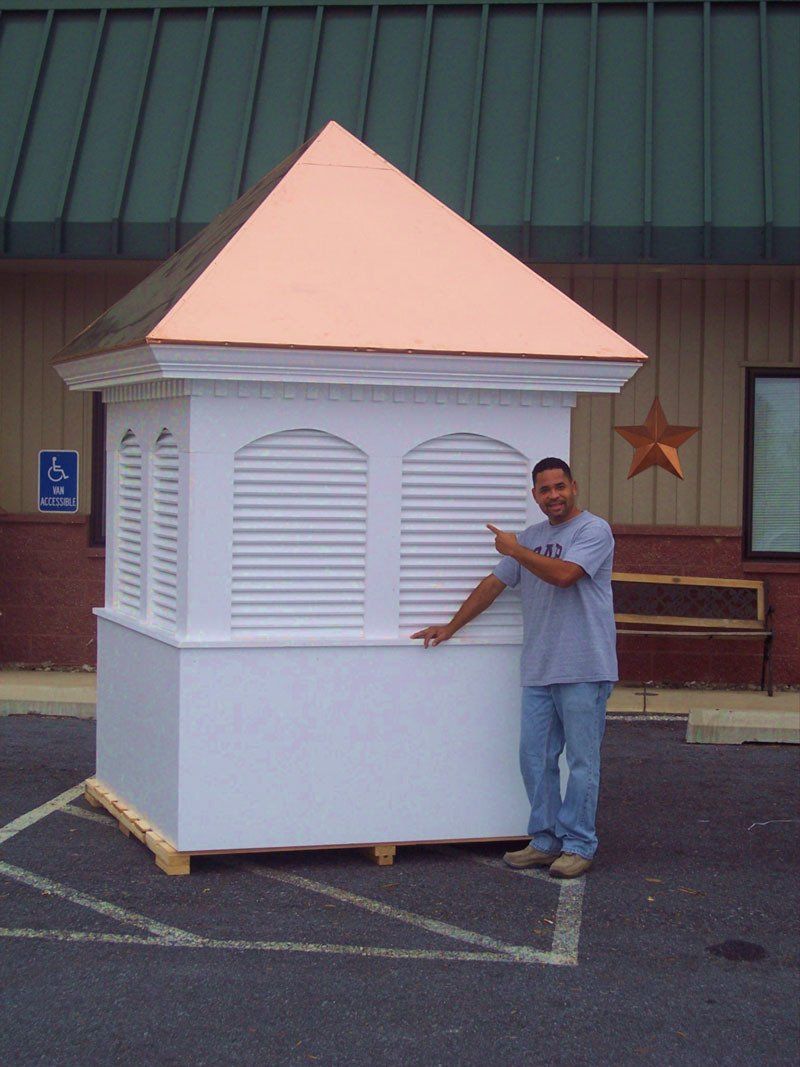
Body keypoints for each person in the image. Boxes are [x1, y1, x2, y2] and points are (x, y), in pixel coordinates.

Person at [411, 457, 617, 879]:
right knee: (535, 758)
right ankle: (545, 840)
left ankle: (579, 844)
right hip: (540, 668)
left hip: (584, 666)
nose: (553, 496)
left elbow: (565, 575)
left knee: (582, 760)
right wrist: (451, 625)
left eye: (560, 487)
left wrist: (516, 549)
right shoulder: (531, 537)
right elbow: (493, 585)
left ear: (573, 487)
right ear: (535, 495)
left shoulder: (593, 530)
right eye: (545, 490)